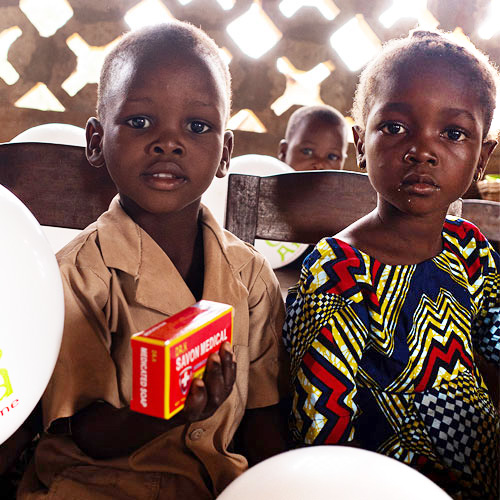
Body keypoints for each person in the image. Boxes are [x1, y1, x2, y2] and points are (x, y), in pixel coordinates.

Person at [17, 21, 288, 500]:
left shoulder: (250, 276)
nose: (169, 142)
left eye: (197, 126)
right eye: (140, 122)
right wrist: (166, 409)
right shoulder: (77, 276)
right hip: (96, 486)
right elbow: (86, 433)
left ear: (225, 153)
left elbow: (264, 416)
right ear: (96, 141)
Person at [283, 30, 500, 499]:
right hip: (377, 484)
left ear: (483, 156)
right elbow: (321, 425)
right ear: (361, 143)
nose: (422, 149)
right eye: (396, 127)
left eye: (453, 133)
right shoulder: (338, 269)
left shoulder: (471, 250)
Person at [277, 104, 349, 171]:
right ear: (283, 152)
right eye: (307, 151)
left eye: (332, 156)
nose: (319, 165)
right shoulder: (267, 182)